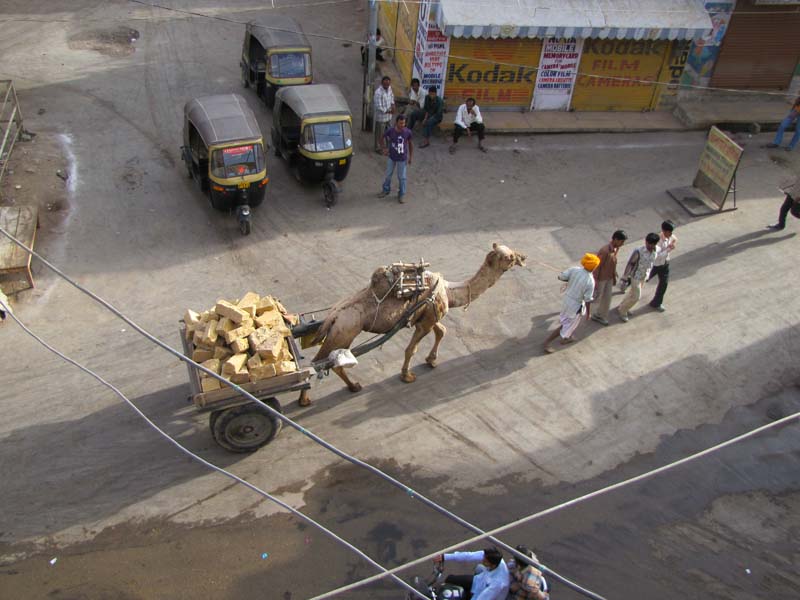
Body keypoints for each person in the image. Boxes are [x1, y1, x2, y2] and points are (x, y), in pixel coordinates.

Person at [543, 253, 599, 354]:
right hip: (575, 306)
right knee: (566, 325)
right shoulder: (590, 281)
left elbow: (561, 277)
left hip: (567, 300)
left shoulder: (575, 269)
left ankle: (567, 337)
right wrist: (588, 313)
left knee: (567, 321)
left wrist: (568, 278)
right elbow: (587, 299)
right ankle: (547, 342)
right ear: (594, 266)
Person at [434, 547, 509, 600]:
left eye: (485, 561)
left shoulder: (498, 583)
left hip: (486, 593)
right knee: (450, 579)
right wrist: (445, 557)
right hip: (479, 581)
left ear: (493, 565)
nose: (482, 560)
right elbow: (469, 556)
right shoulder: (493, 557)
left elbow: (483, 597)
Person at [617, 233, 660, 322]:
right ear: (646, 242)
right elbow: (630, 263)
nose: (650, 246)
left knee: (632, 293)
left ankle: (623, 305)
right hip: (635, 277)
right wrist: (625, 276)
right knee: (636, 297)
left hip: (644, 276)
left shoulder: (657, 250)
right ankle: (623, 311)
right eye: (649, 243)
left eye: (652, 244)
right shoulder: (639, 251)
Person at [591, 230, 627, 326]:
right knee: (597, 297)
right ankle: (591, 312)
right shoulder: (605, 251)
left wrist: (613, 273)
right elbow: (597, 267)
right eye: (621, 242)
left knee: (607, 298)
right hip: (601, 278)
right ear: (615, 239)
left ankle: (600, 315)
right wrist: (596, 281)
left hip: (609, 277)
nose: (622, 244)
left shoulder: (615, 249)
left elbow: (612, 261)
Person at [378, 114, 413, 203]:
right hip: (392, 157)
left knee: (402, 177)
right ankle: (386, 190)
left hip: (402, 158)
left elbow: (410, 144)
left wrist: (410, 157)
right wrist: (384, 149)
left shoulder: (407, 132)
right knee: (388, 175)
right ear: (396, 122)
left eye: (404, 123)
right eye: (400, 123)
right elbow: (381, 137)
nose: (402, 125)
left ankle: (401, 194)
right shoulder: (390, 131)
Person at [648, 220, 677, 312]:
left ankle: (656, 303)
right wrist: (668, 250)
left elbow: (675, 238)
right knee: (642, 279)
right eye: (669, 232)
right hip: (655, 265)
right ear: (664, 231)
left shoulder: (670, 236)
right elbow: (657, 256)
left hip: (665, 264)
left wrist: (673, 243)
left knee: (663, 284)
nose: (671, 234)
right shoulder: (658, 241)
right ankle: (627, 283)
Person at [373, 76, 395, 153]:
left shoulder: (389, 89)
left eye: (388, 83)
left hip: (389, 117)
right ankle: (378, 148)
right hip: (381, 118)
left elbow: (392, 97)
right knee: (380, 134)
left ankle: (389, 147)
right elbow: (378, 106)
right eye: (385, 83)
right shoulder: (378, 92)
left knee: (389, 133)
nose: (387, 85)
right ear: (382, 83)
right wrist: (388, 111)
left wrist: (393, 105)